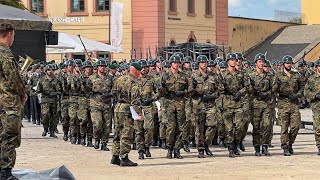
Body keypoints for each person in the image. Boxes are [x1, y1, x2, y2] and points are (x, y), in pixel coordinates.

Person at [0, 23, 27, 179]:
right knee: (10, 136)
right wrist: (22, 93)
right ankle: (6, 173)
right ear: (9, 34)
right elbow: (13, 79)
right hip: (8, 102)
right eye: (14, 35)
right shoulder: (5, 54)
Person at [111, 62, 143, 166]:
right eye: (140, 72)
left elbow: (114, 92)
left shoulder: (119, 79)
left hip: (117, 108)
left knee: (117, 133)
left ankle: (115, 156)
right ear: (136, 71)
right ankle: (124, 158)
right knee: (126, 133)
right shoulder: (134, 83)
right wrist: (139, 114)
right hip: (127, 110)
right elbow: (135, 101)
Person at [218, 53, 249, 158]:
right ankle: (231, 148)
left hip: (238, 104)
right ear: (228, 62)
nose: (234, 61)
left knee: (239, 127)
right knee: (229, 128)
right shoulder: (222, 75)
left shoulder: (241, 74)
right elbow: (219, 89)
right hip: (227, 104)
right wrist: (223, 87)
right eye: (231, 60)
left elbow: (247, 87)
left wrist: (240, 93)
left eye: (235, 60)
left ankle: (236, 144)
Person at [273, 55, 304, 156]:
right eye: (287, 63)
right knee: (284, 127)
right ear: (283, 64)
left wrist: (297, 95)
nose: (288, 65)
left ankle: (290, 143)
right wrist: (276, 86)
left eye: (290, 63)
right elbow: (273, 90)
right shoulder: (278, 76)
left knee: (296, 126)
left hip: (294, 103)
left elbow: (302, 87)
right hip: (283, 103)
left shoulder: (296, 75)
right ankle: (285, 146)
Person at [162, 55, 190, 159]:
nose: (176, 64)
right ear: (171, 64)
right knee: (171, 128)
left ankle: (177, 149)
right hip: (169, 104)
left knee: (181, 127)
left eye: (178, 62)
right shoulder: (165, 75)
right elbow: (160, 90)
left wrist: (184, 92)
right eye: (174, 62)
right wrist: (163, 90)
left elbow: (191, 88)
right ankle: (169, 148)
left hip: (180, 104)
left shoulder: (184, 75)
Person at [248, 54, 273, 156]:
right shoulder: (250, 75)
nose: (261, 63)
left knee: (267, 125)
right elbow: (247, 88)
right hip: (255, 104)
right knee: (256, 127)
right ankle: (257, 147)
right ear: (255, 63)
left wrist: (267, 93)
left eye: (263, 61)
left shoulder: (269, 75)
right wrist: (254, 91)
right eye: (259, 61)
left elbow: (274, 88)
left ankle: (265, 145)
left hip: (266, 104)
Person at [88, 59, 113, 151]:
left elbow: (113, 90)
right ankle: (97, 139)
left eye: (104, 66)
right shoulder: (91, 78)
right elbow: (87, 90)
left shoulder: (110, 78)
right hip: (95, 104)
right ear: (97, 67)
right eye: (101, 66)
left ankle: (104, 143)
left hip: (106, 104)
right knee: (97, 124)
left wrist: (109, 94)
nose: (103, 68)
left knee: (107, 125)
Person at [37, 64, 62, 138]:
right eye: (48, 70)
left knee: (54, 117)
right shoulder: (42, 80)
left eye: (51, 70)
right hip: (45, 100)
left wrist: (56, 92)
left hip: (54, 100)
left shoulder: (56, 80)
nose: (50, 72)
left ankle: (52, 131)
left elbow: (60, 90)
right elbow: (38, 90)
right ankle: (45, 128)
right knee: (45, 115)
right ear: (46, 71)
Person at [304, 58, 320, 155]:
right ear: (317, 67)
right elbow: (306, 92)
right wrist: (315, 95)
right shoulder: (312, 79)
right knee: (318, 127)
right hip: (317, 106)